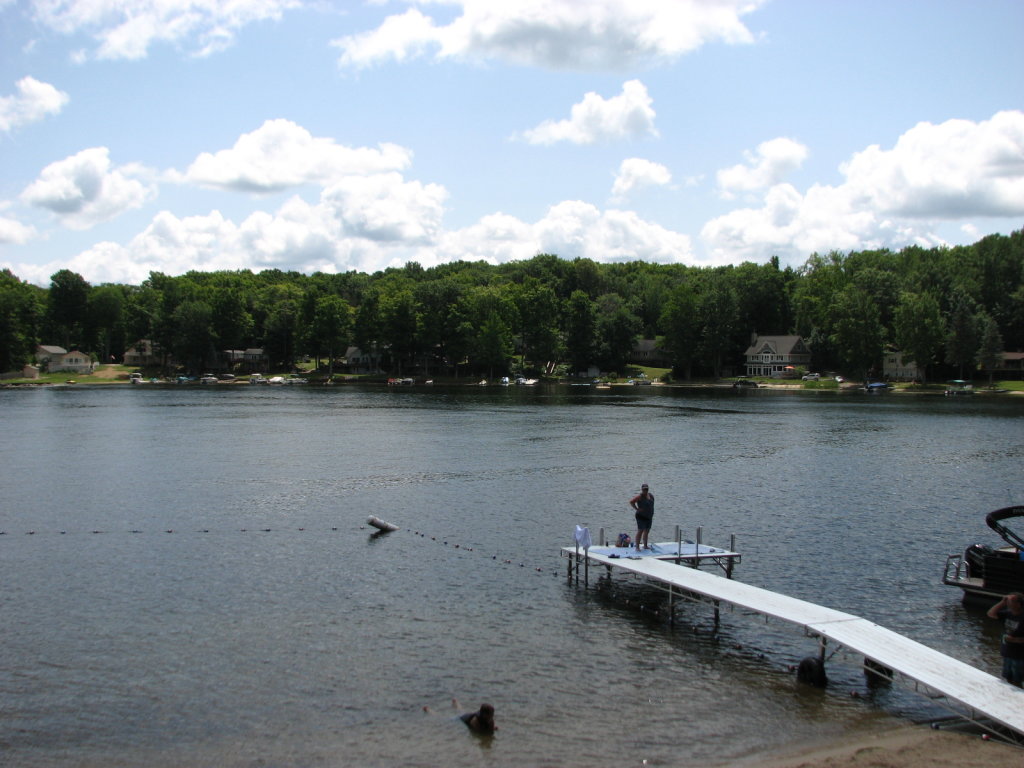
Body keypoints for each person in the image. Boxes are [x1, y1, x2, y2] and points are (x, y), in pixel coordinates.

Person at [986, 592, 1024, 686]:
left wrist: (1015, 640)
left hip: (1020, 655)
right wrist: (1002, 602)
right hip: (1008, 652)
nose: (1008, 603)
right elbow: (991, 614)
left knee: (1017, 681)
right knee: (1008, 678)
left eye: (1011, 601)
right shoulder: (1007, 614)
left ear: (1018, 604)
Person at [629, 483, 654, 551]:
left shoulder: (651, 495)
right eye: (644, 489)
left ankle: (645, 545)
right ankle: (637, 547)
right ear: (642, 489)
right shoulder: (639, 496)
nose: (645, 490)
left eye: (646, 489)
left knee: (647, 530)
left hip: (649, 516)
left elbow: (651, 505)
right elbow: (631, 502)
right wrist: (637, 509)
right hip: (641, 516)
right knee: (640, 530)